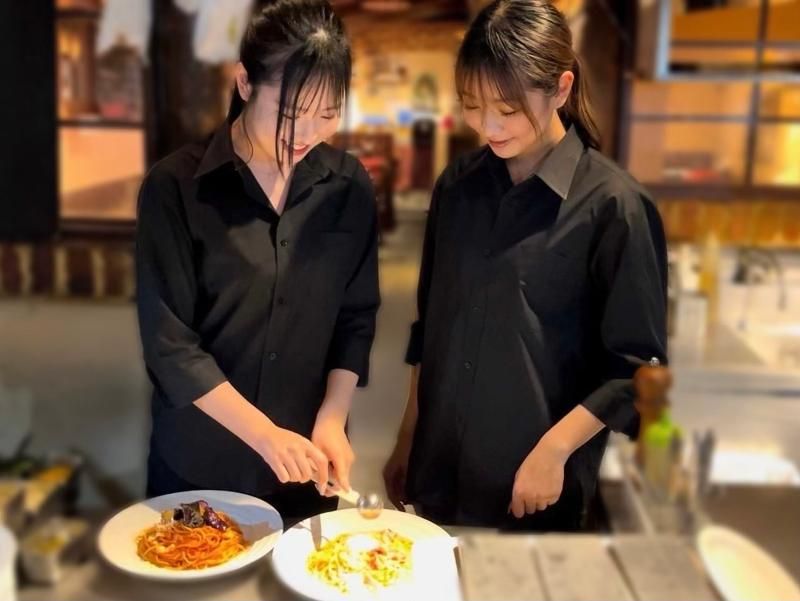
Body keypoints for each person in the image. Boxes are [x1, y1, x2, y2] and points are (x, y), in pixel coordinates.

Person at [383, 0, 667, 530]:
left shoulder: (614, 206)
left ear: (561, 88)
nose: (487, 125)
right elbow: (432, 330)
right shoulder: (456, 187)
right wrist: (407, 438)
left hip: (533, 489)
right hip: (439, 475)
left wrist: (554, 450)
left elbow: (635, 369)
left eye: (508, 109)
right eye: (472, 105)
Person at [136, 0, 380, 524]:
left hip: (306, 464)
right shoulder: (175, 188)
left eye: (328, 114)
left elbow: (356, 316)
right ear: (244, 82)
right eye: (291, 114)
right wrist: (265, 435)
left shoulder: (348, 185)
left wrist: (332, 418)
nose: (307, 133)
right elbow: (170, 344)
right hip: (202, 459)